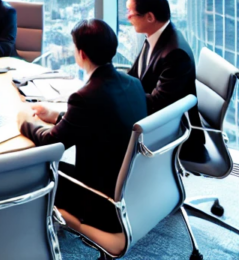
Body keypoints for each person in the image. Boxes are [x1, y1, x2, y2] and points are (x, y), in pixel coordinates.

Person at [16, 19, 146, 237]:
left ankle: (33, 240)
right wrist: (57, 115)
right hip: (132, 190)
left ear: (82, 54)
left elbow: (51, 143)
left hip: (100, 201)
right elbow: (102, 118)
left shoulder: (85, 96)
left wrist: (23, 122)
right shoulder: (133, 83)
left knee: (33, 169)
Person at [125, 0, 204, 160]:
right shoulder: (154, 36)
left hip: (174, 134)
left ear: (150, 17)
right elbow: (135, 76)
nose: (127, 17)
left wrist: (120, 97)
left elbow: (158, 103)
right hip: (157, 123)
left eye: (131, 12)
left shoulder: (176, 53)